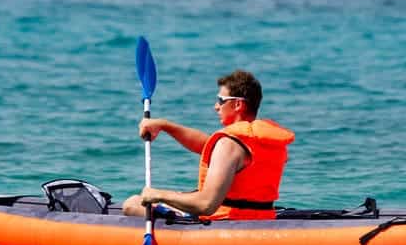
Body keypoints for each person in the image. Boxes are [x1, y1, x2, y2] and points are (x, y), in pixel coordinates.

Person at [122, 70, 294, 220]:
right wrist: (166, 126)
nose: (216, 106)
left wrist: (157, 194)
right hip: (261, 216)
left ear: (237, 104)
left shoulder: (229, 144)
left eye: (220, 100)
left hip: (226, 219)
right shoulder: (261, 141)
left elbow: (206, 205)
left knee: (132, 204)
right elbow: (207, 146)